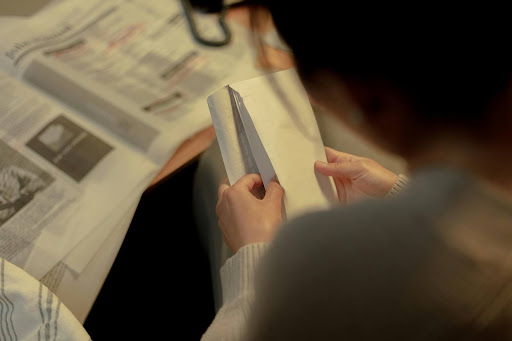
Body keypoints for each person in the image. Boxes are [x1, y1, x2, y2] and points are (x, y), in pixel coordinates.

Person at [196, 2, 512, 340]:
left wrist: (255, 260)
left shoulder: (335, 263)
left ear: (361, 97)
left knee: (212, 165)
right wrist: (399, 192)